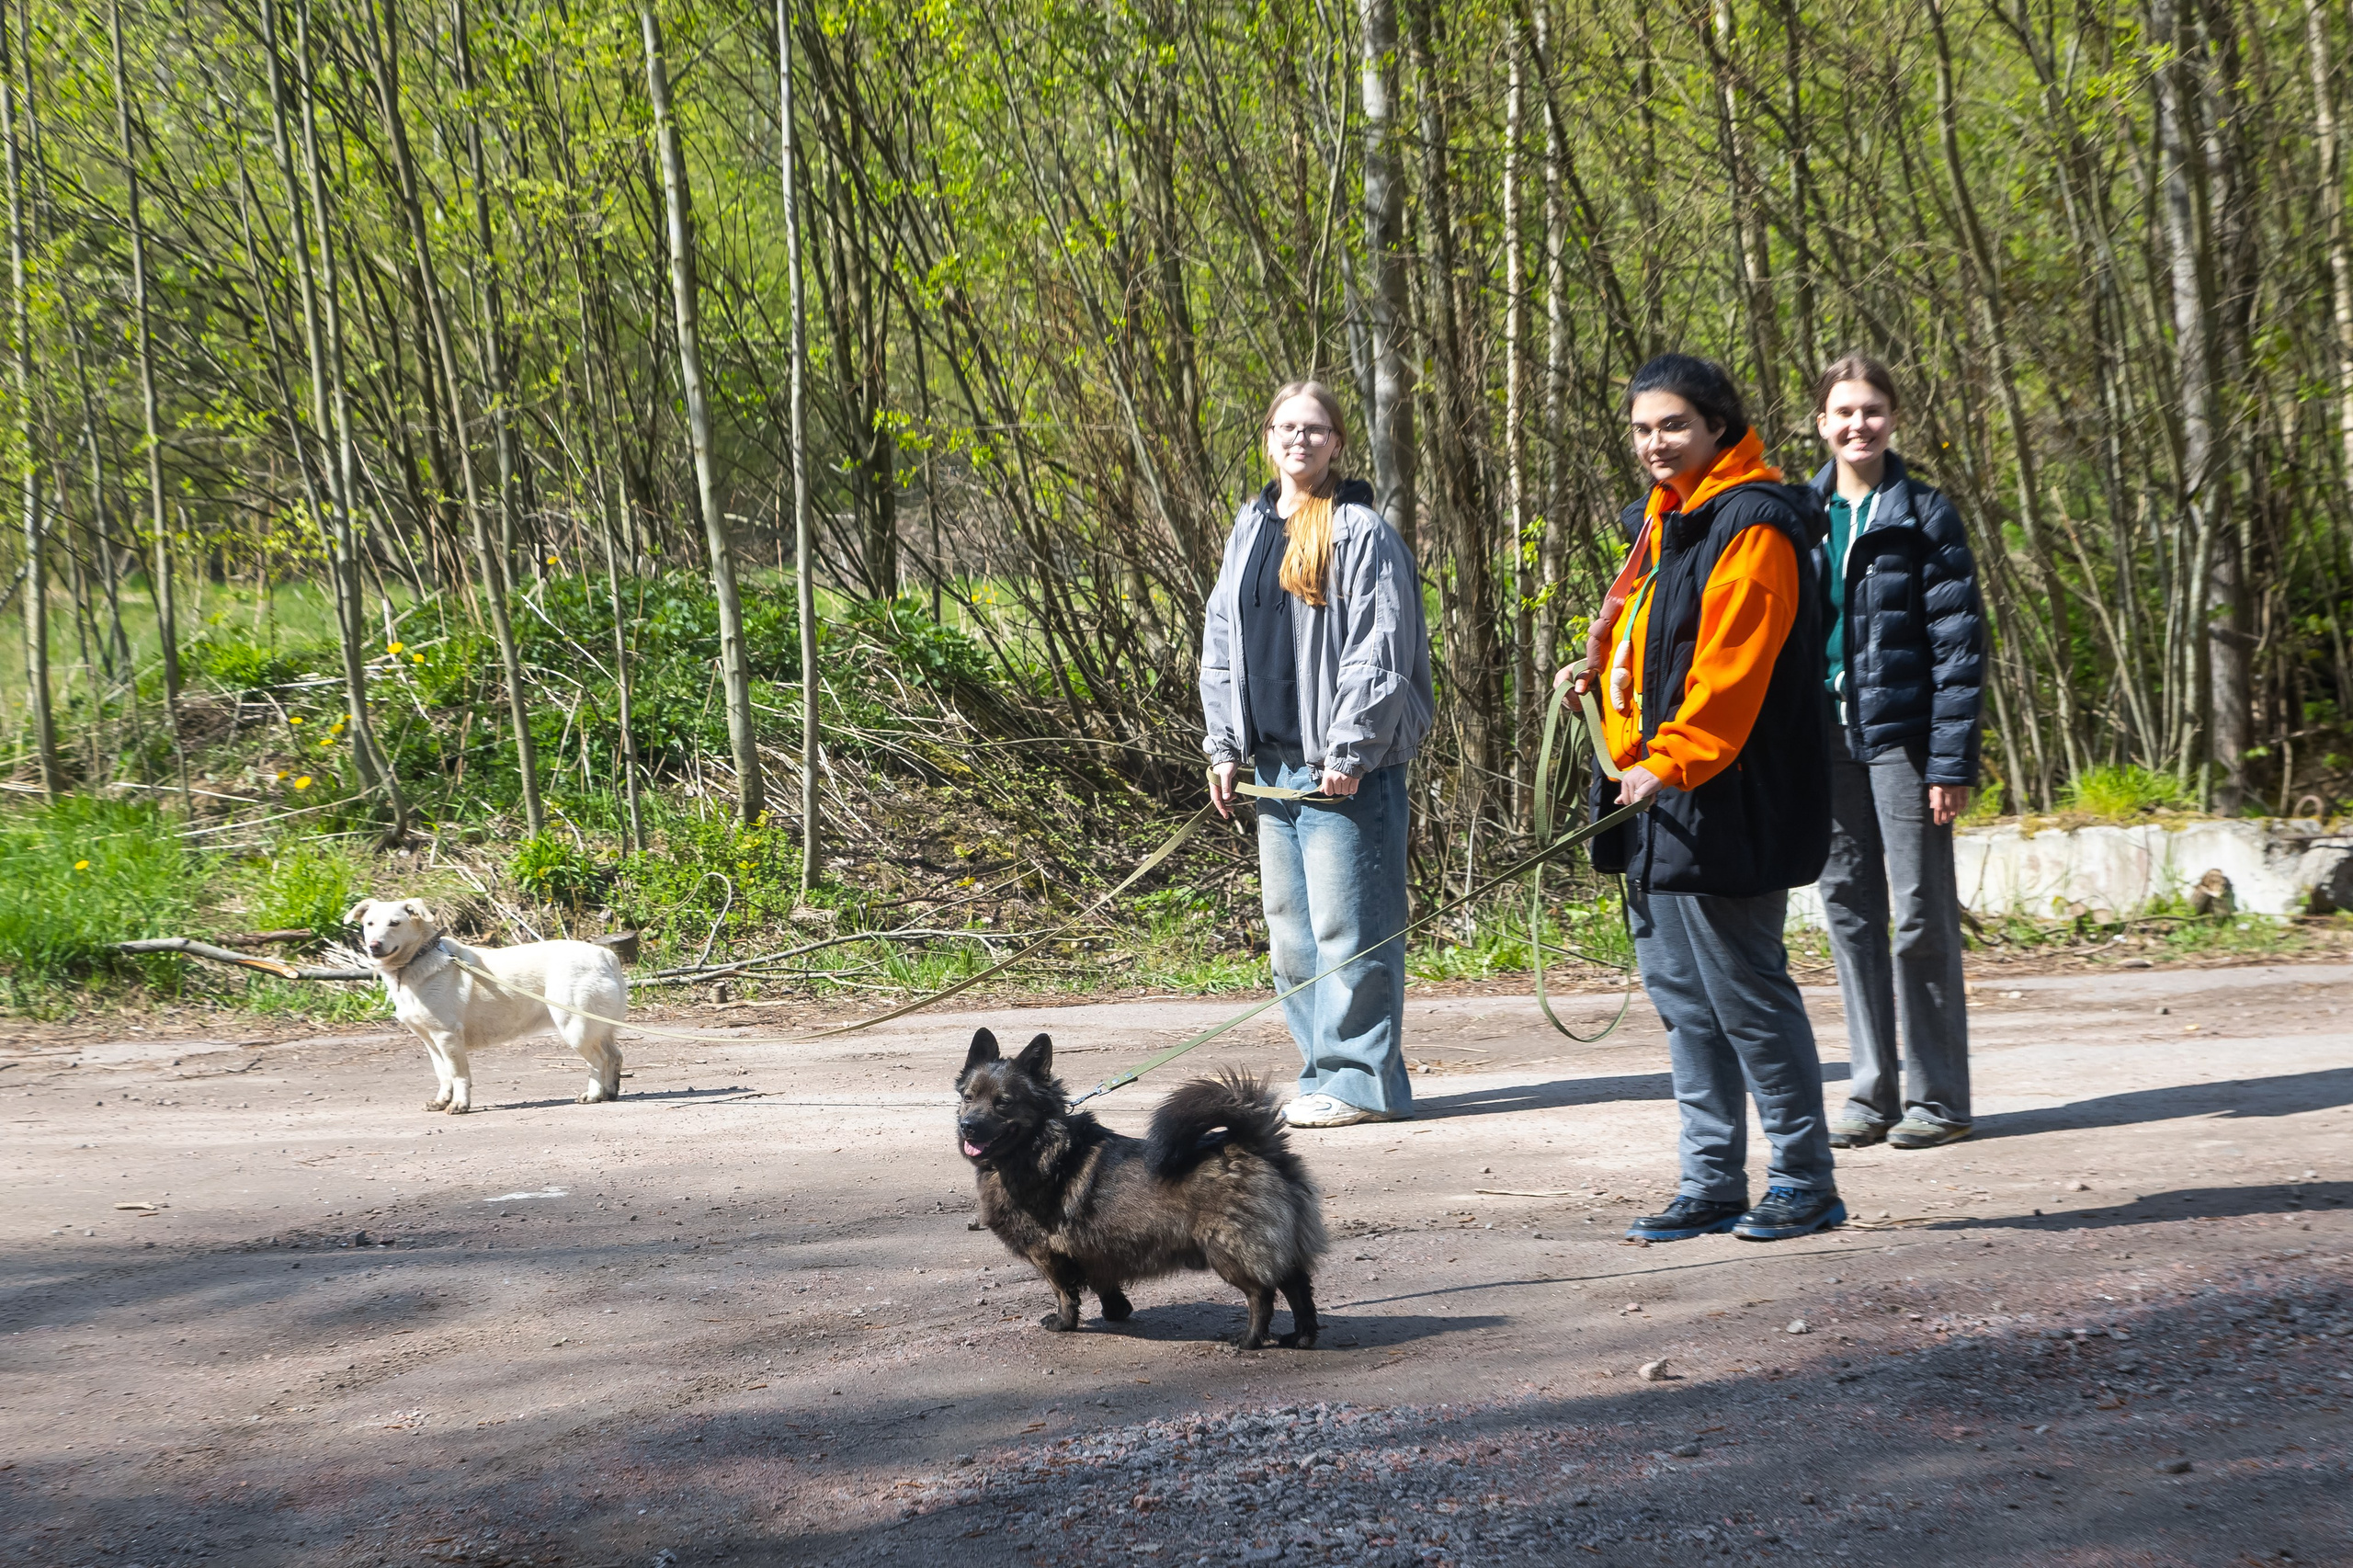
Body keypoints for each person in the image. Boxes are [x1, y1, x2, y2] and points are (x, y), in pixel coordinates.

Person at [1561, 353, 1842, 1242]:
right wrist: (1600, 678)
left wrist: (1670, 759)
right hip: (1657, 797)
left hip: (1729, 797)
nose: (1655, 442)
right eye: (1643, 428)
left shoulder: (1754, 524)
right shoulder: (1671, 520)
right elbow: (1658, 649)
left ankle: (1804, 1179)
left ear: (1720, 426)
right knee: (1685, 1002)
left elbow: (1732, 666)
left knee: (1749, 996)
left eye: (1673, 425)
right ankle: (1712, 1180)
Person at [1200, 381, 1434, 1129]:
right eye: (1286, 428)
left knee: (1351, 933)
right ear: (1267, 439)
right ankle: (1321, 1074)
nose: (1299, 440)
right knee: (1294, 940)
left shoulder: (1359, 531)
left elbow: (1382, 646)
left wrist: (1352, 747)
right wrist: (1224, 746)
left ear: (1337, 443)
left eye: (1315, 429)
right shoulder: (1250, 529)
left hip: (1341, 772)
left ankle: (1362, 1081)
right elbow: (1221, 645)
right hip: (1271, 767)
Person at [1808, 355, 1985, 1151]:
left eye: (1872, 410)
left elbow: (1959, 650)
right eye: (1844, 411)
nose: (1858, 425)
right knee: (1848, 915)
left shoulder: (1924, 515)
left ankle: (1939, 1098)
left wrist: (1952, 762)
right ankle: (1872, 1091)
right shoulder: (1796, 516)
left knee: (1917, 916)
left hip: (1905, 744)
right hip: (1825, 744)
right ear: (1822, 423)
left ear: (1893, 420)